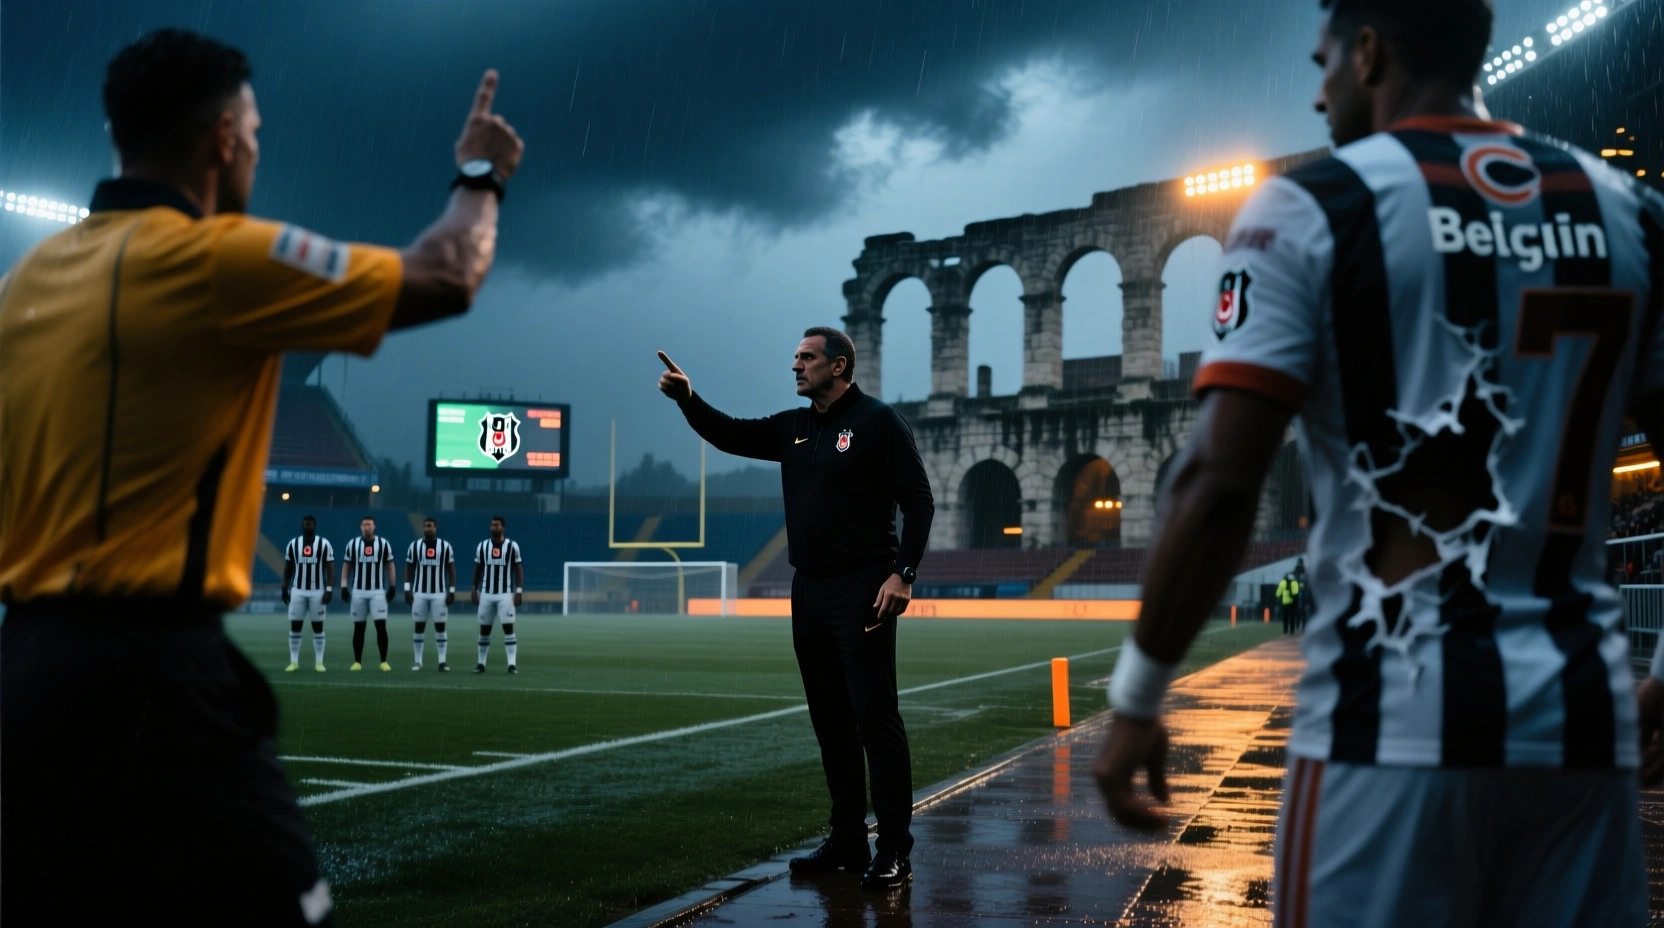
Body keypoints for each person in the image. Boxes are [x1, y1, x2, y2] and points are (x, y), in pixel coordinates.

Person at [1090, 1, 1663, 925]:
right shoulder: (1625, 207)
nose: (1318, 95)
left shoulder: (1315, 205)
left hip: (1386, 724)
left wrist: (1139, 697)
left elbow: (1217, 481)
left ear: (1367, 51)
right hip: (1579, 726)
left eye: (1323, 65)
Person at [0, 28, 523, 925]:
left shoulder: (28, 279)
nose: (257, 144)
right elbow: (445, 273)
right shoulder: (216, 258)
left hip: (23, 668)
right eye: (257, 129)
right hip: (152, 674)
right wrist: (480, 176)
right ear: (227, 139)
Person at [657, 327, 935, 891]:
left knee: (875, 720)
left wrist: (902, 573)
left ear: (838, 366)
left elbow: (919, 500)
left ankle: (895, 849)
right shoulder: (795, 427)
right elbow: (729, 434)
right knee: (830, 722)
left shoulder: (879, 422)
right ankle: (848, 839)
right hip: (807, 590)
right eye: (795, 359)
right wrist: (689, 399)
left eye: (806, 358)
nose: (796, 367)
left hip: (864, 588)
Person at [342, 516, 396, 671]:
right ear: (360, 527)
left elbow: (390, 565)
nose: (367, 527)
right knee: (359, 628)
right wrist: (344, 586)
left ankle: (384, 662)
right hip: (358, 591)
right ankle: (357, 662)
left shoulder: (383, 544)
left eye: (369, 524)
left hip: (377, 591)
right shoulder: (353, 544)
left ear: (374, 526)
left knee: (381, 626)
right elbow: (347, 566)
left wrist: (392, 586)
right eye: (364, 525)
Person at [283, 514, 335, 671]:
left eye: (310, 524)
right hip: (297, 590)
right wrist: (284, 587)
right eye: (305, 524)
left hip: (317, 591)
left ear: (315, 526)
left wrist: (329, 589)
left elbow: (330, 568)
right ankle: (293, 662)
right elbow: (288, 568)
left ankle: (319, 663)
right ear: (302, 525)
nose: (308, 526)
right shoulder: (293, 544)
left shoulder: (324, 544)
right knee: (295, 625)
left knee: (318, 626)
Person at [472, 516, 523, 673]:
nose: (494, 527)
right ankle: (481, 664)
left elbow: (518, 569)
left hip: (505, 594)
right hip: (486, 594)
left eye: (497, 525)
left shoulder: (512, 546)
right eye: (492, 525)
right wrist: (474, 588)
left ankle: (512, 664)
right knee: (484, 630)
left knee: (508, 629)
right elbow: (478, 568)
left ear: (503, 527)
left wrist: (519, 590)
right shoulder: (482, 546)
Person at [406, 517, 456, 671]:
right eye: (426, 526)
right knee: (419, 626)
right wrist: (407, 589)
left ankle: (442, 661)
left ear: (436, 528)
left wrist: (452, 590)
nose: (428, 529)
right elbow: (409, 568)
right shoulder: (415, 546)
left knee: (440, 627)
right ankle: (418, 661)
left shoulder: (445, 546)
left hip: (439, 593)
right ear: (423, 528)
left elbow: (451, 569)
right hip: (419, 592)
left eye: (431, 527)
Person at [1276, 569, 1302, 635]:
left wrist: (1279, 596)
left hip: (1285, 602)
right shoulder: (1295, 583)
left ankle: (1285, 629)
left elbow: (1278, 593)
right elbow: (1296, 592)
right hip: (1293, 602)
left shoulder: (1282, 582)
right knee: (1292, 616)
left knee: (1285, 616)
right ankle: (1292, 630)